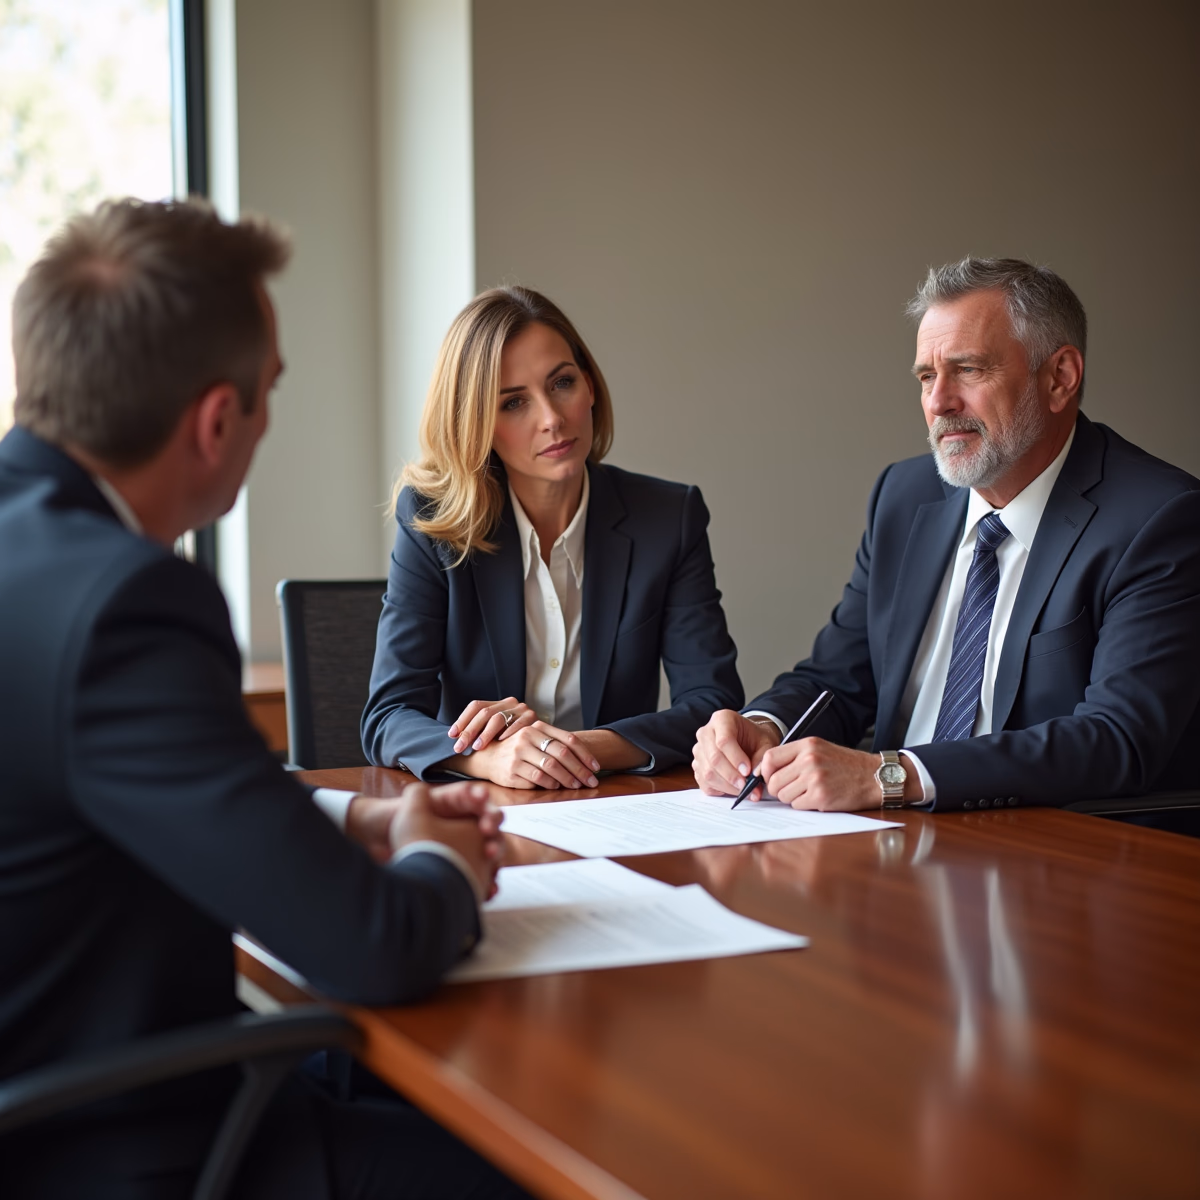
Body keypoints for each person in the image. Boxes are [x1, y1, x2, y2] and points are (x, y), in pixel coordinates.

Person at [0, 198, 528, 1199]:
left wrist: (358, 819)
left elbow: (127, 793)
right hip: (111, 1147)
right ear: (214, 422)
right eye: (267, 390)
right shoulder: (126, 605)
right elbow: (376, 948)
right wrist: (440, 858)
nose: (268, 418)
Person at [693, 257, 1200, 817]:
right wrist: (762, 726)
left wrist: (892, 775)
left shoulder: (1159, 518)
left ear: (1060, 378)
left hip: (1042, 848)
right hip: (880, 838)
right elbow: (837, 676)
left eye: (969, 370)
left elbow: (1117, 739)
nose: (938, 403)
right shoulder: (905, 495)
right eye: (927, 377)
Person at [362, 286, 743, 787]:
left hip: (617, 805)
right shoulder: (434, 521)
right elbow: (388, 716)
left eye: (561, 382)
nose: (552, 419)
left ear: (589, 385)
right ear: (476, 424)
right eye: (514, 402)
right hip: (485, 812)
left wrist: (572, 749)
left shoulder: (668, 517)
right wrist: (487, 759)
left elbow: (713, 704)